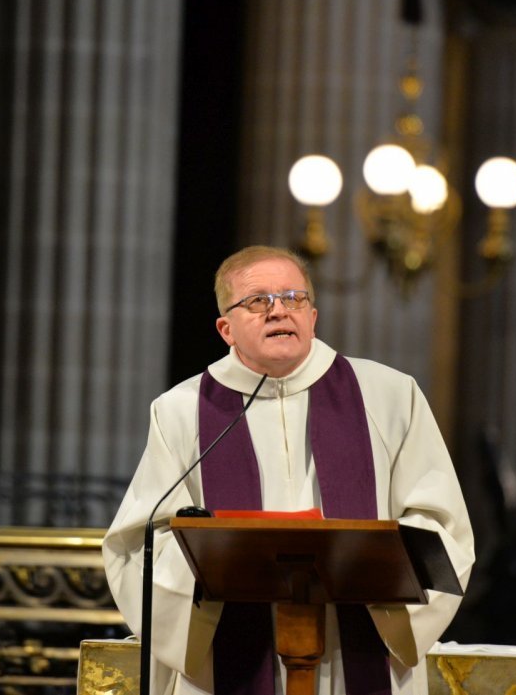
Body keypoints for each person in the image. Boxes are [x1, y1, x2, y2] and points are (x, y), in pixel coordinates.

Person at [103, 245, 474, 695]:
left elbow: (441, 526)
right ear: (226, 329)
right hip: (229, 655)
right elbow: (141, 542)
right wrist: (205, 565)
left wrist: (381, 582)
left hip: (355, 648)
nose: (279, 310)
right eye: (259, 301)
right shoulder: (181, 411)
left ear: (313, 317)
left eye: (293, 298)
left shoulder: (391, 396)